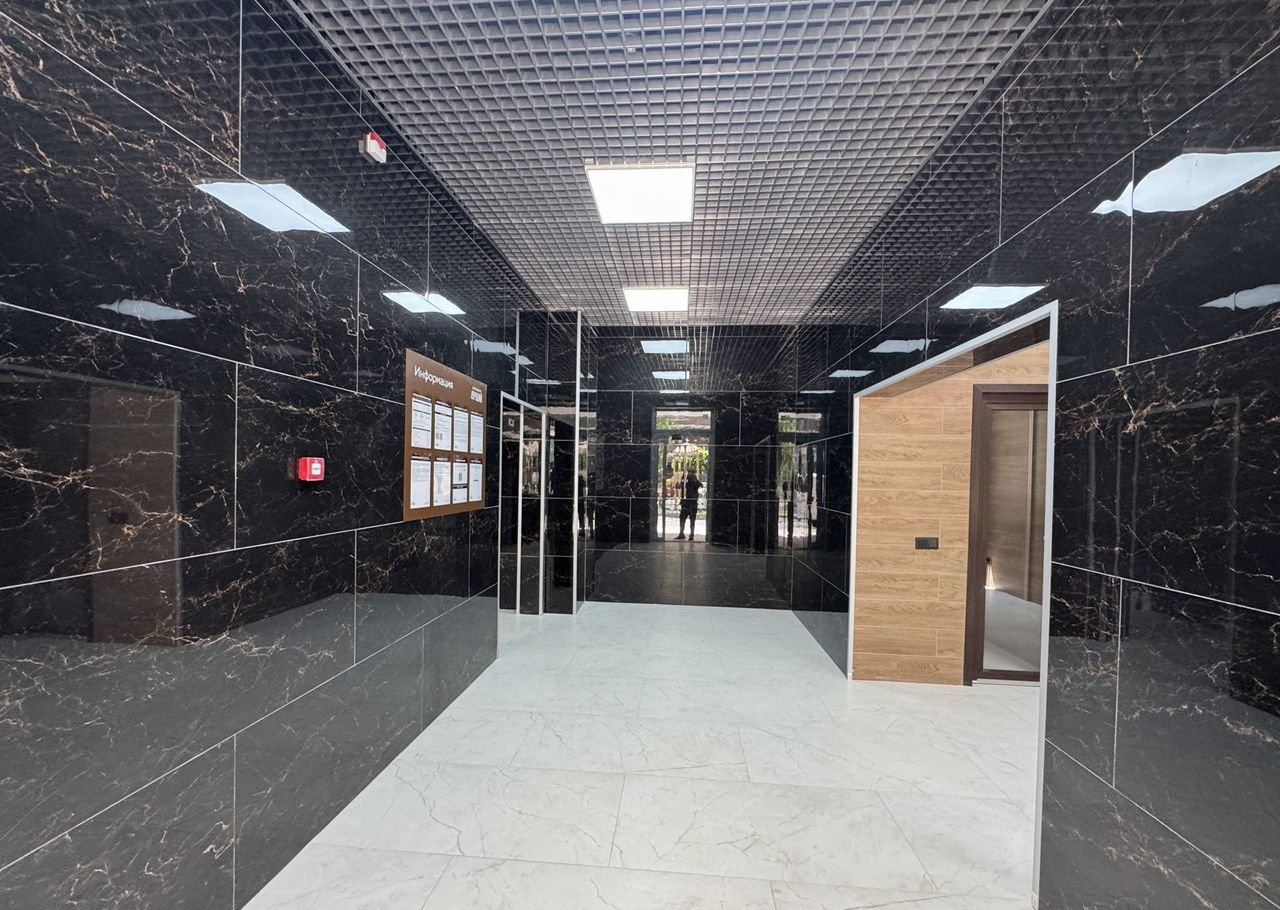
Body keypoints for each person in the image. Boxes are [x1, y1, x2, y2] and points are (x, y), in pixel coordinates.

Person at [675, 470, 702, 540]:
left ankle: (691, 534)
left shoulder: (694, 481)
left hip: (691, 503)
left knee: (691, 520)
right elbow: (679, 486)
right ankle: (682, 533)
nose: (690, 474)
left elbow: (700, 485)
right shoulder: (685, 480)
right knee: (683, 519)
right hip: (686, 503)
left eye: (691, 472)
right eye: (689, 472)